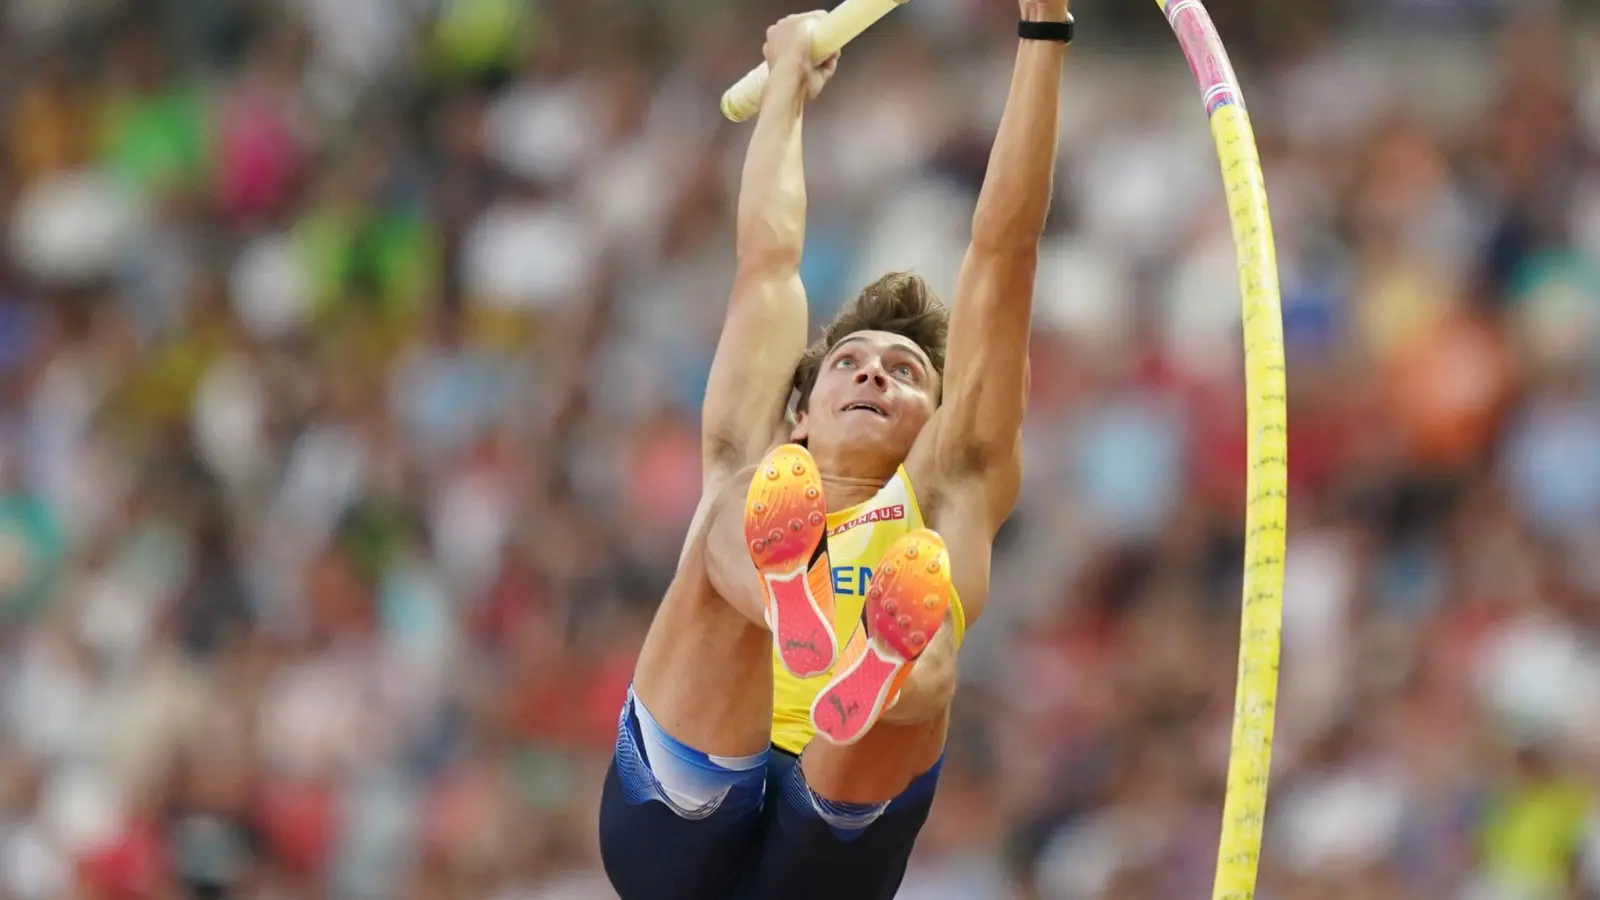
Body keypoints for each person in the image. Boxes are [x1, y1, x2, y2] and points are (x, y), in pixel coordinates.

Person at [599, 1, 1070, 896]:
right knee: (732, 500)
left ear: (937, 420)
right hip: (684, 808)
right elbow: (766, 261)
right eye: (848, 362)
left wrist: (1044, 33)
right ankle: (795, 612)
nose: (872, 375)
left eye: (904, 372)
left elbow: (1005, 254)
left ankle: (867, 673)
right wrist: (786, 94)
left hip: (836, 820)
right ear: (804, 408)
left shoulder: (956, 483)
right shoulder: (764, 449)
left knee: (922, 614)